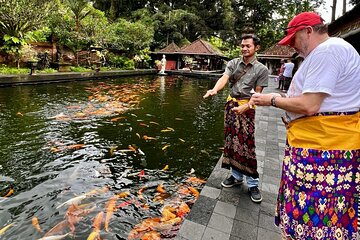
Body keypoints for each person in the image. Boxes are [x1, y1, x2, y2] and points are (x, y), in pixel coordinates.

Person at [251, 12, 360, 239]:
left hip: (324, 149)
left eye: (293, 39)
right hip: (315, 144)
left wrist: (272, 100)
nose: (292, 45)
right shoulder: (324, 52)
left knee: (317, 214)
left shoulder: (329, 51)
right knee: (307, 210)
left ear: (308, 31)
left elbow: (310, 105)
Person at [203, 34, 269, 203]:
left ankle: (253, 183)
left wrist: (246, 107)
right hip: (231, 106)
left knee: (247, 144)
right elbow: (224, 78)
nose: (244, 48)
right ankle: (236, 175)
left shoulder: (261, 69)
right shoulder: (233, 63)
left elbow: (258, 94)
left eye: (248, 46)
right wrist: (215, 90)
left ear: (256, 47)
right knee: (231, 141)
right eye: (242, 46)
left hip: (247, 108)